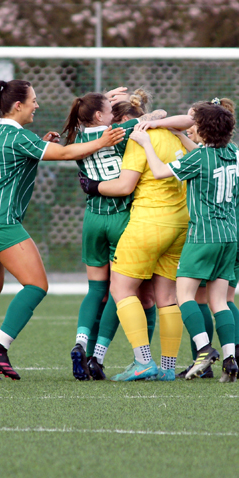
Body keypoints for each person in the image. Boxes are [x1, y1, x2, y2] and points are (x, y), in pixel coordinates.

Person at [0, 80, 124, 380]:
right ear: (18, 105)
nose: (37, 105)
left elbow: (20, 158)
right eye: (33, 100)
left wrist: (40, 142)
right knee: (37, 286)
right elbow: (64, 155)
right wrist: (102, 142)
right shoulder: (17, 136)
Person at [129, 101, 239, 382]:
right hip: (229, 236)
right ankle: (229, 359)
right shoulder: (235, 153)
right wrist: (180, 135)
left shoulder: (200, 157)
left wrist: (146, 142)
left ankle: (204, 349)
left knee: (184, 296)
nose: (190, 129)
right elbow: (202, 155)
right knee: (219, 302)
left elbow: (159, 171)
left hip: (203, 236)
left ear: (202, 129)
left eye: (194, 126)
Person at [79, 114, 196, 381]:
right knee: (167, 298)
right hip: (179, 224)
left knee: (121, 289)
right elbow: (186, 119)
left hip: (149, 223)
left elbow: (125, 185)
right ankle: (167, 367)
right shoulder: (175, 133)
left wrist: (92, 186)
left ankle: (143, 361)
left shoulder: (138, 138)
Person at [64, 89, 165, 380]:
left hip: (92, 219)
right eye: (109, 108)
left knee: (95, 290)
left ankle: (81, 342)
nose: (114, 113)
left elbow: (84, 115)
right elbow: (157, 115)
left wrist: (100, 99)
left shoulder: (77, 140)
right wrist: (148, 115)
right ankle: (97, 357)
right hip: (121, 220)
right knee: (120, 292)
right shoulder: (120, 132)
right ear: (100, 115)